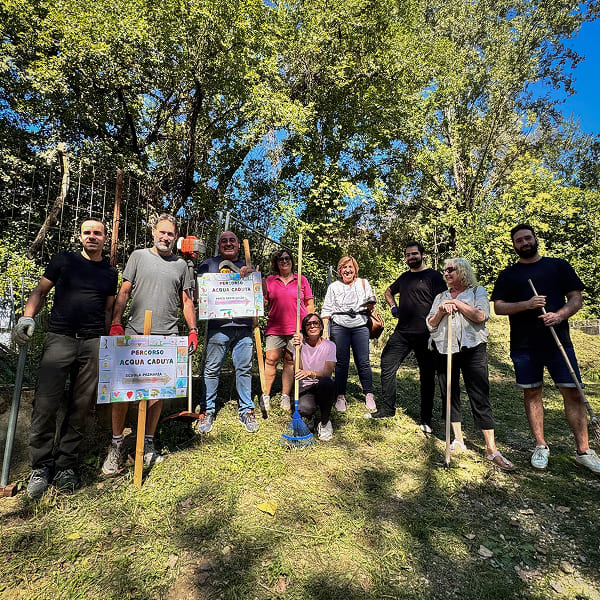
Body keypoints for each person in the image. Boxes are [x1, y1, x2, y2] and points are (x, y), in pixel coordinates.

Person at [13, 219, 118, 498]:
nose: (92, 237)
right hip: (60, 338)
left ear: (105, 238)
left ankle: (65, 466)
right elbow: (40, 291)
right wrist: (27, 317)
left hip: (93, 343)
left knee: (81, 406)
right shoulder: (63, 261)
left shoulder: (109, 272)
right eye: (87, 233)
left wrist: (106, 341)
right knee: (45, 404)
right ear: (80, 236)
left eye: (97, 233)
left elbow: (108, 310)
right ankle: (40, 467)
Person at [491, 223, 600, 474]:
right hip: (524, 345)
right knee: (532, 394)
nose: (524, 243)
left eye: (528, 238)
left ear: (535, 238)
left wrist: (560, 315)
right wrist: (527, 304)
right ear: (514, 245)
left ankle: (583, 451)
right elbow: (499, 307)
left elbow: (576, 299)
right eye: (519, 240)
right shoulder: (509, 274)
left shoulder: (558, 265)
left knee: (572, 392)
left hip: (558, 342)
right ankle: (540, 446)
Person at [102, 214, 197, 475]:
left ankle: (148, 443)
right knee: (122, 392)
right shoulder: (138, 256)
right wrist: (116, 322)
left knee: (158, 394)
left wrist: (192, 330)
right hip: (134, 335)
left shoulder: (181, 266)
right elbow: (124, 291)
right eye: (162, 232)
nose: (166, 237)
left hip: (166, 337)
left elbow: (187, 301)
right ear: (154, 232)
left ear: (175, 237)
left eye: (170, 234)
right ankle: (117, 444)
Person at [427, 258, 514, 471]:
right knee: (449, 393)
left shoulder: (477, 292)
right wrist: (441, 311)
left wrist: (457, 304)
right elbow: (430, 323)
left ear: (463, 272)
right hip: (445, 350)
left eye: (451, 270)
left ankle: (491, 449)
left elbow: (481, 316)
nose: (446, 274)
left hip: (472, 349)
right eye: (445, 270)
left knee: (479, 395)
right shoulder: (440, 296)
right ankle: (458, 440)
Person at [369, 242, 446, 426]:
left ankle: (426, 419)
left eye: (414, 254)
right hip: (402, 333)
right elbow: (388, 291)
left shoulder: (434, 276)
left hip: (426, 334)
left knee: (427, 376)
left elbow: (444, 299)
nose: (411, 257)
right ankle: (387, 409)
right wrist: (393, 306)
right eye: (407, 255)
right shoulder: (404, 277)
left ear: (423, 255)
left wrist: (436, 322)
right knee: (387, 363)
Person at [195, 230, 259, 434]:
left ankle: (246, 410)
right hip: (218, 328)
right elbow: (198, 293)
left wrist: (254, 279)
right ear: (219, 245)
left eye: (232, 240)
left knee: (244, 369)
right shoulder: (208, 264)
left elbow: (260, 295)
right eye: (224, 241)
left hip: (244, 328)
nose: (228, 243)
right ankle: (208, 410)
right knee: (212, 370)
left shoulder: (246, 265)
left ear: (239, 245)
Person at [321, 256, 376, 412]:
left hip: (360, 326)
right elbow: (326, 310)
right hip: (339, 326)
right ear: (339, 271)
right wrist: (325, 330)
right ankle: (340, 396)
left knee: (363, 361)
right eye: (344, 267)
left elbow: (371, 308)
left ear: (355, 269)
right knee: (341, 363)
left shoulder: (363, 283)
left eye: (350, 267)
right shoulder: (333, 287)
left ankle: (368, 394)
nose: (347, 270)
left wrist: (371, 305)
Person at [262, 249, 314, 411]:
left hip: (297, 328)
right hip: (275, 327)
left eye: (287, 258)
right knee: (270, 359)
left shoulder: (301, 280)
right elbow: (262, 302)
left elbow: (309, 304)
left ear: (292, 260)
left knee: (290, 361)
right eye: (280, 259)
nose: (284, 261)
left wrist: (309, 325)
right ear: (276, 263)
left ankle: (285, 395)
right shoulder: (270, 280)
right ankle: (266, 395)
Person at [292, 314, 336, 440]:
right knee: (304, 408)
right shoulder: (298, 344)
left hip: (323, 384)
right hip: (306, 386)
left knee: (327, 383)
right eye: (308, 324)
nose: (312, 326)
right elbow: (298, 368)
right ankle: (309, 417)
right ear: (304, 328)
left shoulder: (330, 345)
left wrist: (310, 373)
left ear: (321, 326)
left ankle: (324, 422)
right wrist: (299, 350)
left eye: (316, 323)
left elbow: (327, 373)